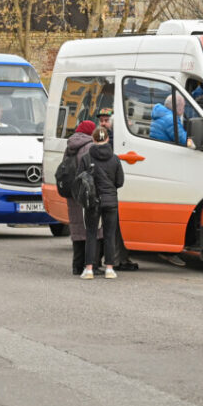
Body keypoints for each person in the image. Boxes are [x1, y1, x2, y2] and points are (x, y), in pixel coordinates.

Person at [92, 108, 137, 270]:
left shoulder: (104, 142)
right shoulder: (107, 145)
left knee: (102, 229)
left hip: (100, 195)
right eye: (101, 120)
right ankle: (114, 261)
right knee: (109, 229)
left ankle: (97, 262)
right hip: (107, 195)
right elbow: (119, 180)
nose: (103, 123)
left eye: (106, 120)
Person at [78, 125, 125, 279]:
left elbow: (80, 180)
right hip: (111, 202)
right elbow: (120, 182)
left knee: (91, 234)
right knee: (110, 235)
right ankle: (110, 269)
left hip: (93, 202)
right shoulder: (115, 159)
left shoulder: (86, 158)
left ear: (93, 139)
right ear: (107, 139)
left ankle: (89, 269)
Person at [62, 120, 95, 275]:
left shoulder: (70, 145)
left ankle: (76, 266)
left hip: (72, 192)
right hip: (85, 192)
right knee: (90, 229)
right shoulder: (89, 146)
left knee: (76, 229)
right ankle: (90, 265)